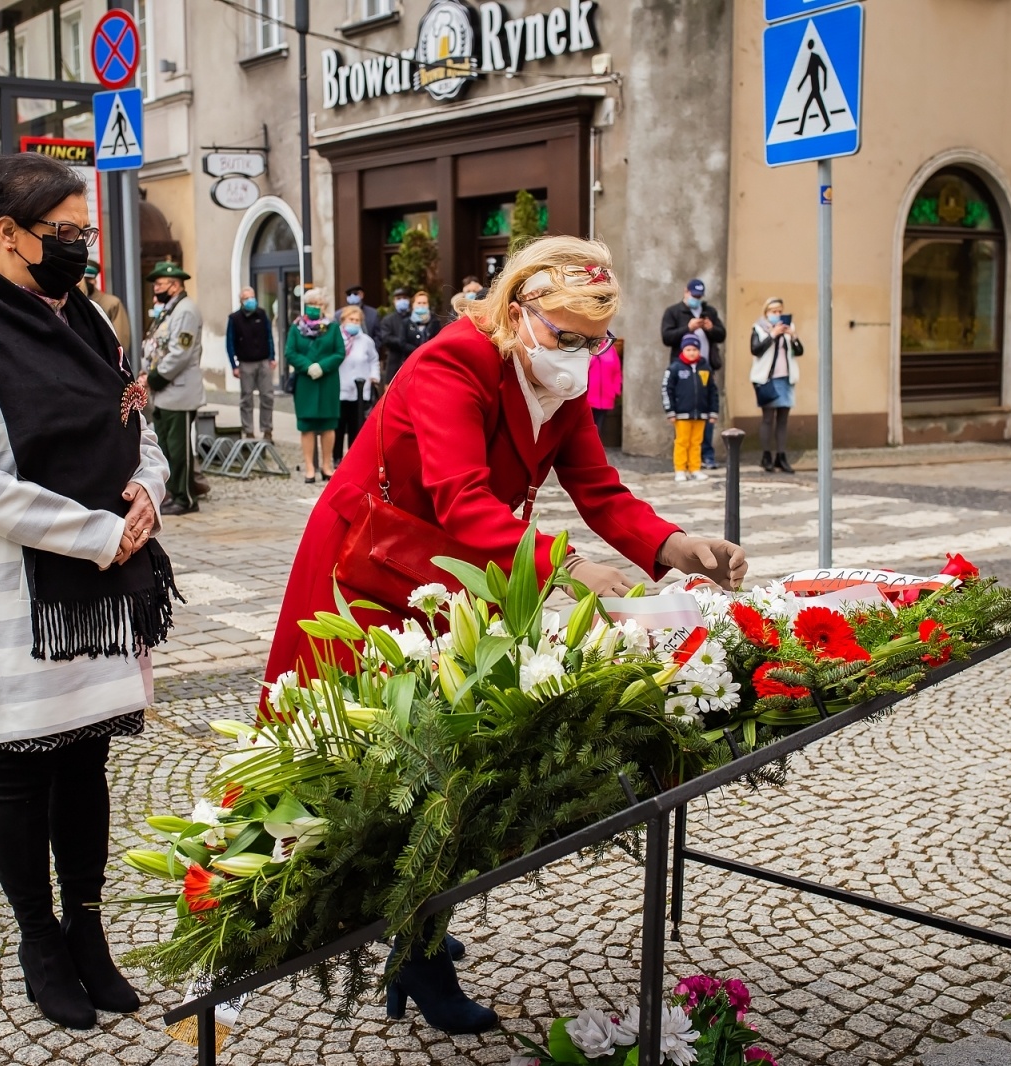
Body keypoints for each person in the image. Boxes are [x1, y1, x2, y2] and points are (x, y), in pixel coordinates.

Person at [263, 235, 747, 1034]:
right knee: (393, 755)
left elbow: (599, 489)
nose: (582, 354)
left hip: (459, 569)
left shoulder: (555, 380)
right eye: (565, 335)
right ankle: (410, 948)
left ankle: (422, 921)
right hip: (369, 569)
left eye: (597, 340)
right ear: (516, 311)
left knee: (449, 748)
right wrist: (566, 567)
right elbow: (462, 499)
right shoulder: (450, 365)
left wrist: (672, 546)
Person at [0, 152, 179, 1032]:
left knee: (87, 759)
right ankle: (39, 939)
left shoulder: (88, 320)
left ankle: (88, 930)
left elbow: (138, 428)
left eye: (85, 234)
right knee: (22, 772)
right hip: (18, 589)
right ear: (8, 234)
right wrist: (96, 532)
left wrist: (147, 493)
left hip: (100, 590)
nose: (79, 250)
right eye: (63, 235)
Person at [141, 261, 207, 516]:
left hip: (179, 391)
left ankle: (186, 498)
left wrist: (155, 377)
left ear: (175, 284)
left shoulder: (186, 310)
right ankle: (173, 494)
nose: (156, 288)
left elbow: (180, 352)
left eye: (160, 284)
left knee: (180, 451)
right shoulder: (170, 310)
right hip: (165, 392)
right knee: (167, 448)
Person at [660, 278, 727, 468]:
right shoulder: (673, 312)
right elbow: (666, 337)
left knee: (705, 413)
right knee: (685, 418)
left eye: (699, 296)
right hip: (682, 370)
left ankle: (706, 456)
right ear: (686, 292)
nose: (696, 299)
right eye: (693, 295)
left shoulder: (709, 312)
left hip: (706, 368)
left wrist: (710, 328)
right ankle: (683, 463)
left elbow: (722, 335)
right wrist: (687, 328)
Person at [284, 287, 344, 483]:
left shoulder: (333, 327)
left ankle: (327, 466)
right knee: (307, 426)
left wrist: (322, 366)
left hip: (327, 382)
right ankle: (309, 467)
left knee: (328, 425)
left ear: (324, 306)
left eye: (318, 304)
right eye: (311, 304)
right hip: (305, 382)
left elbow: (339, 352)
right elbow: (290, 352)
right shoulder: (296, 328)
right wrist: (308, 366)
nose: (314, 307)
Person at [750, 297, 803, 474]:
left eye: (780, 311)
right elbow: (756, 350)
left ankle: (781, 457)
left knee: (783, 420)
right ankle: (766, 457)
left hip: (786, 378)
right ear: (766, 313)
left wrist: (793, 337)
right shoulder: (759, 328)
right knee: (768, 418)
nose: (777, 315)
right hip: (767, 379)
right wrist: (773, 335)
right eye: (774, 312)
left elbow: (799, 351)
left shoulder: (789, 329)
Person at [662, 335, 717, 482]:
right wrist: (670, 411)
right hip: (682, 414)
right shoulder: (675, 368)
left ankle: (695, 468)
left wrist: (713, 411)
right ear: (682, 350)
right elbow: (667, 389)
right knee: (682, 442)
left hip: (701, 414)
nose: (691, 352)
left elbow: (713, 391)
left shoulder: (705, 368)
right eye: (688, 349)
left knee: (697, 442)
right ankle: (680, 469)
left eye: (694, 349)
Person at [332, 303, 380, 466]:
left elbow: (374, 359)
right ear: (344, 320)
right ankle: (336, 457)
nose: (354, 323)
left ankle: (353, 459)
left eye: (357, 320)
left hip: (360, 390)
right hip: (340, 388)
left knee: (356, 426)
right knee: (338, 426)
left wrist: (374, 375)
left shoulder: (366, 341)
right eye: (351, 319)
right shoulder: (336, 338)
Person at [226, 286, 275, 441]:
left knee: (267, 396)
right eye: (247, 298)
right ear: (241, 300)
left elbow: (269, 336)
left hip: (263, 361)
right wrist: (234, 366)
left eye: (252, 297)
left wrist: (272, 356)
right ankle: (248, 430)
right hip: (245, 363)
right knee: (246, 397)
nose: (250, 300)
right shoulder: (234, 318)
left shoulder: (261, 314)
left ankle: (267, 429)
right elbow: (230, 343)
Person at [381, 288, 441, 380]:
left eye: (424, 303)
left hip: (429, 365)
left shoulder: (434, 322)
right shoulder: (406, 322)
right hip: (410, 364)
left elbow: (438, 341)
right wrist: (418, 350)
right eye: (419, 303)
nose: (421, 305)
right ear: (413, 304)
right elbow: (402, 342)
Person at [81, 260, 131, 354]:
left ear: (94, 281)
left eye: (88, 280)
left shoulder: (111, 303)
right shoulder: (65, 302)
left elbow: (120, 341)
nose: (84, 284)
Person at [586, 334, 622, 437]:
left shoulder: (611, 349)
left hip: (606, 396)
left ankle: (595, 447)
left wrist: (616, 390)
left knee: (599, 425)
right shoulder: (590, 348)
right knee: (589, 424)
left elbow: (617, 371)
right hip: (589, 396)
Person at [341, 283, 380, 347]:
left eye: (355, 294)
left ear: (361, 295)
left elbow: (378, 336)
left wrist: (372, 348)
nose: (352, 296)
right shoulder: (339, 314)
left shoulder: (373, 313)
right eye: (349, 294)